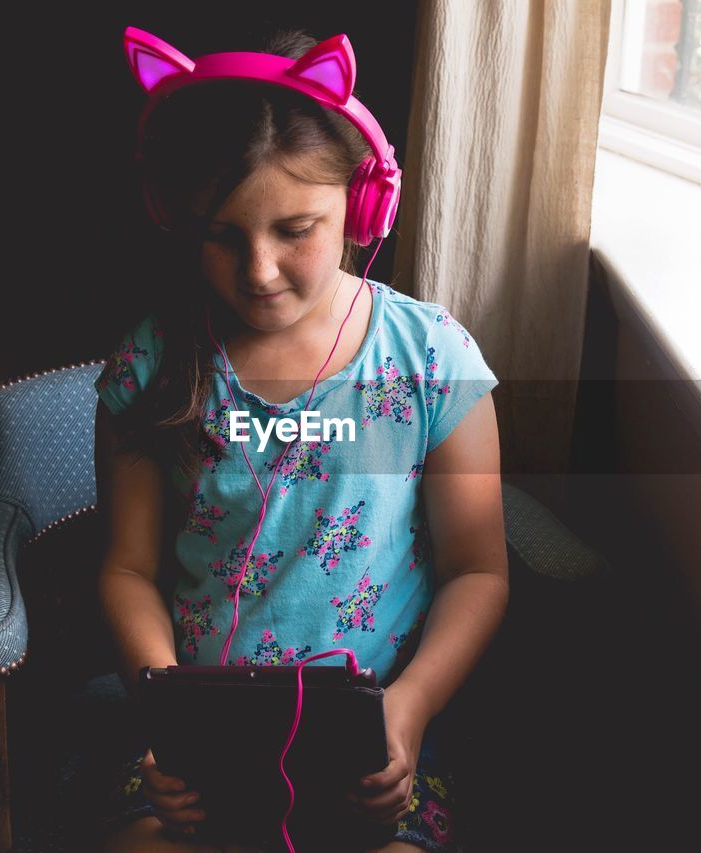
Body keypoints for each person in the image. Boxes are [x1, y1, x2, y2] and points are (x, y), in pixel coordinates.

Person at [92, 23, 507, 853]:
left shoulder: (431, 359)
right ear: (179, 222)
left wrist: (410, 707)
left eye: (295, 228)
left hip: (376, 743)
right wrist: (166, 706)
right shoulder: (151, 360)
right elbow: (129, 566)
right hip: (192, 738)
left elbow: (479, 569)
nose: (258, 268)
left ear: (361, 204)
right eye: (223, 234)